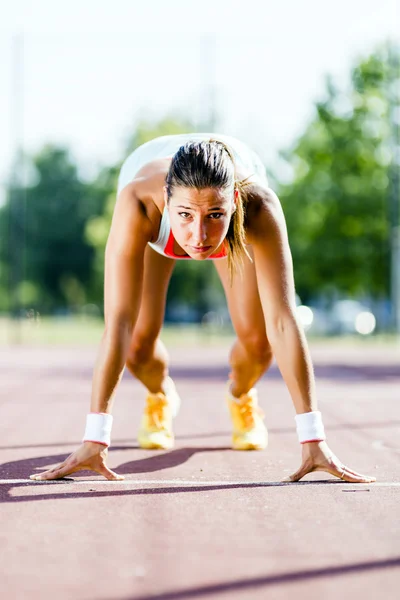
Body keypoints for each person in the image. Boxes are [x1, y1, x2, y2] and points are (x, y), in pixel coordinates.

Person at [30, 133, 375, 484]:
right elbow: (118, 322)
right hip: (154, 216)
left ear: (234, 201)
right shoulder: (139, 201)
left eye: (214, 214)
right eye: (185, 215)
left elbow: (284, 321)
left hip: (227, 212)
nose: (199, 235)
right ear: (166, 199)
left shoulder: (258, 206)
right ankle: (159, 393)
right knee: (136, 343)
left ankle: (240, 396)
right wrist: (95, 437)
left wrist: (313, 438)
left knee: (258, 344)